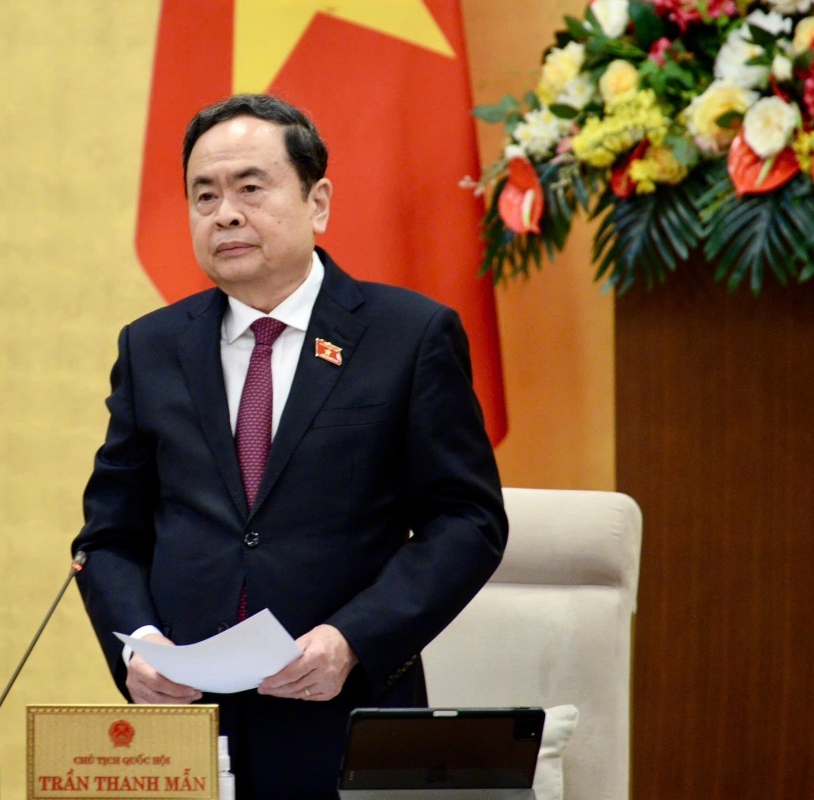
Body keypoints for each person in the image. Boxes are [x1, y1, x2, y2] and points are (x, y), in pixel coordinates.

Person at [72, 94, 507, 800]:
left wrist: (352, 639)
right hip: (189, 731)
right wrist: (139, 644)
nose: (225, 214)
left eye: (250, 188)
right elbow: (109, 537)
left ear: (318, 202)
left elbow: (467, 521)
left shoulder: (408, 336)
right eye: (204, 195)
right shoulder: (151, 347)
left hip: (346, 715)